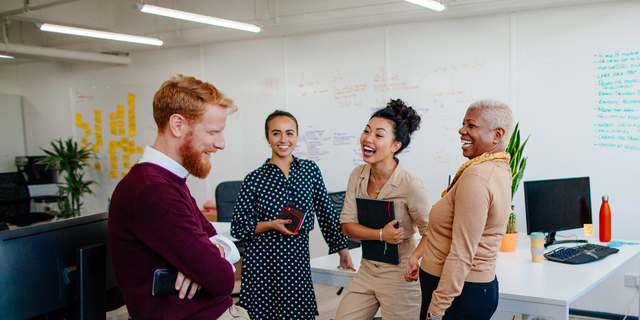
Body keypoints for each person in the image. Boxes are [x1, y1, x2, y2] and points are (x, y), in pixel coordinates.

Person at [108, 75, 250, 320]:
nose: (221, 143)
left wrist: (211, 252)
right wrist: (207, 261)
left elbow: (216, 241)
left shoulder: (168, 182)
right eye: (213, 131)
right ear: (177, 125)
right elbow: (223, 279)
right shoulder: (152, 191)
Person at [230, 110, 354, 320]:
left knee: (298, 314)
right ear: (267, 137)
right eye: (276, 133)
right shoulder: (254, 178)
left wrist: (342, 250)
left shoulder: (309, 170)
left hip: (296, 259)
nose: (283, 140)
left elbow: (326, 212)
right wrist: (270, 224)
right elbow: (239, 226)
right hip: (263, 260)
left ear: (297, 136)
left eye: (289, 133)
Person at [335, 99, 431, 320]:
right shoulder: (357, 175)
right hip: (367, 268)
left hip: (400, 274)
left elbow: (431, 231)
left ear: (395, 146)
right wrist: (381, 235)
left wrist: (416, 257)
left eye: (378, 135)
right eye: (366, 131)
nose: (367, 139)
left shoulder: (411, 185)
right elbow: (347, 226)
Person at [420, 99, 515, 320]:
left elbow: (462, 253)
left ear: (497, 135)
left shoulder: (477, 176)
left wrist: (437, 310)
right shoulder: (499, 167)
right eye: (463, 124)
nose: (462, 130)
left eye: (471, 125)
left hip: (457, 296)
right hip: (469, 291)